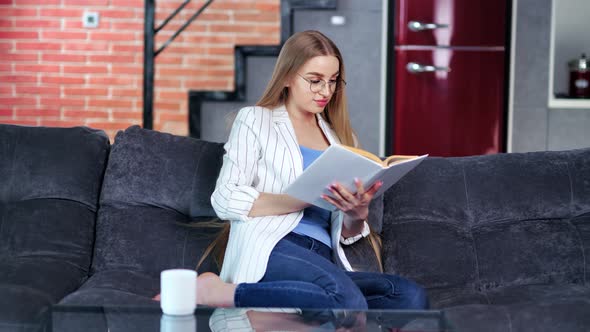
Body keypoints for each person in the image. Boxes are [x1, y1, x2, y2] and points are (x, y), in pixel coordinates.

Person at [161, 30, 429, 310]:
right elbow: (224, 198)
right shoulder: (256, 120)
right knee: (345, 299)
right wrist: (303, 197)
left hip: (322, 257)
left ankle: (307, 306)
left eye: (333, 81)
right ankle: (216, 293)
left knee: (408, 295)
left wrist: (356, 216)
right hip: (275, 246)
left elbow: (345, 233)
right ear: (288, 77)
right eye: (314, 81)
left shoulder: (340, 139)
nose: (325, 91)